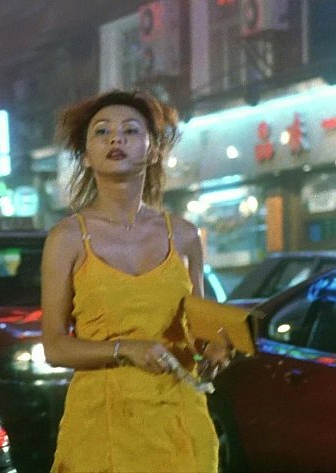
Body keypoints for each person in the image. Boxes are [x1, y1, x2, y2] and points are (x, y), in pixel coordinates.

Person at [40, 90, 232, 473]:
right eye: (102, 131)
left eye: (130, 130)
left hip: (179, 422)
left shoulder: (184, 236)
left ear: (154, 150)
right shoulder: (67, 238)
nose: (116, 138)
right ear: (85, 154)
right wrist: (124, 348)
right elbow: (55, 347)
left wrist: (214, 349)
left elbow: (200, 330)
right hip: (102, 425)